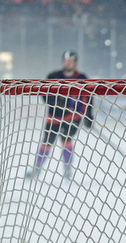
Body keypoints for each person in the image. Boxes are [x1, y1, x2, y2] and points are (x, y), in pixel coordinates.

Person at [25, 50, 92, 181]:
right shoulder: (53, 76)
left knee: (66, 140)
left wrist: (89, 115)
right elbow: (44, 94)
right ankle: (37, 168)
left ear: (75, 63)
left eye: (71, 61)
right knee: (47, 142)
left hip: (73, 117)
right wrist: (56, 102)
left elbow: (87, 98)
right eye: (66, 61)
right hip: (54, 116)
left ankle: (67, 170)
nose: (68, 63)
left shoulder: (81, 78)